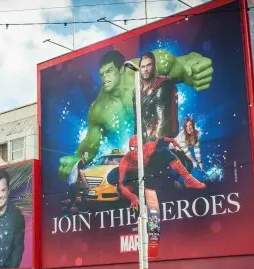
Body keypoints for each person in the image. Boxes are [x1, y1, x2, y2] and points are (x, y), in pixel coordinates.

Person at [57, 49, 214, 181]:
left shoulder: (139, 69)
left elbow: (181, 63)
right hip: (141, 159)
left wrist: (193, 69)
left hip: (165, 141)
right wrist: (76, 158)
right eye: (102, 74)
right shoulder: (99, 109)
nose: (105, 77)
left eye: (109, 71)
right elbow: (90, 144)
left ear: (121, 69)